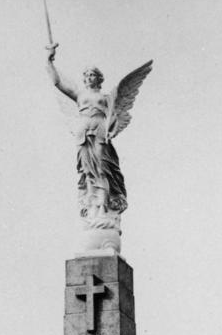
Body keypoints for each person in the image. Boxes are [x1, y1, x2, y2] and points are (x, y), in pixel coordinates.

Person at [46, 45, 152, 221]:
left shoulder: (106, 98)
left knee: (102, 168)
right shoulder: (79, 95)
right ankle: (92, 205)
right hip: (83, 134)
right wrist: (49, 60)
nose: (88, 78)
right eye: (86, 75)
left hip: (100, 133)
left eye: (92, 74)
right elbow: (57, 82)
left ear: (99, 78)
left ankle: (103, 206)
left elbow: (116, 111)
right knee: (87, 170)